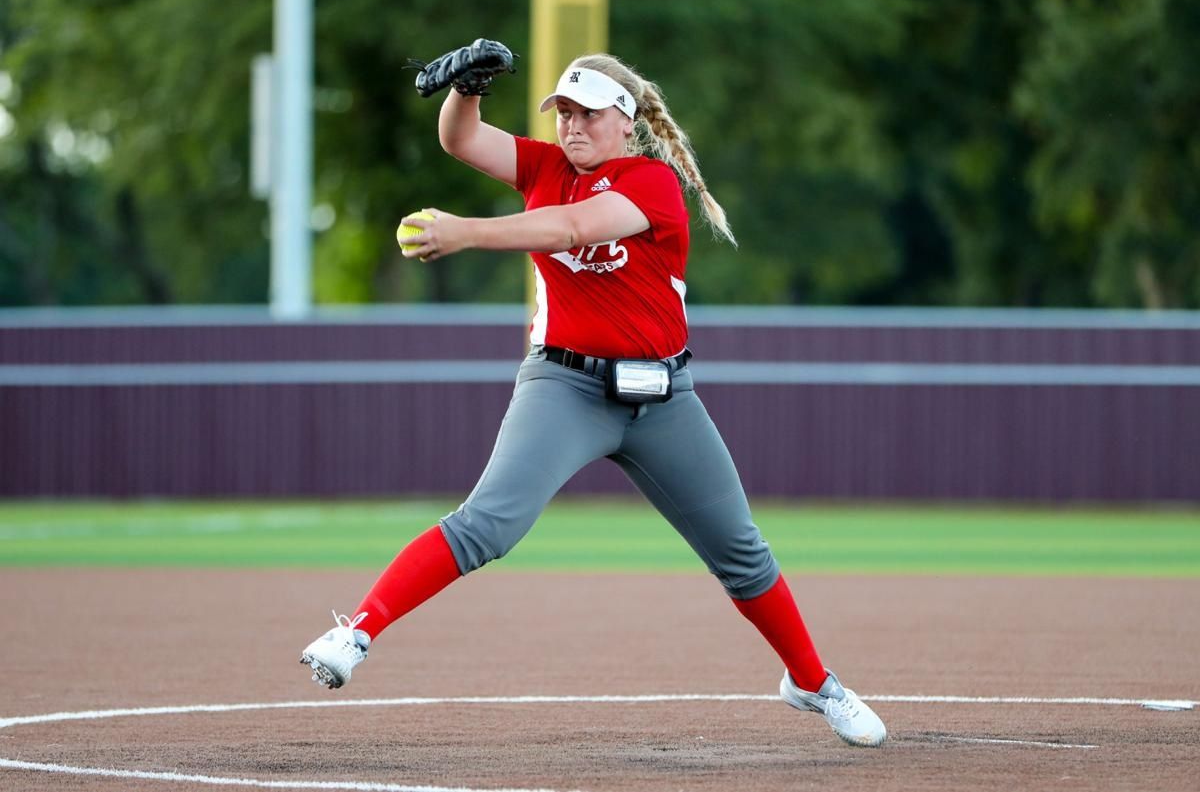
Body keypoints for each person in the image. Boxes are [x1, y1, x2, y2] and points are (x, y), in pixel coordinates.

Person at [300, 49, 887, 748]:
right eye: (565, 113)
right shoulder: (545, 167)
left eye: (588, 113)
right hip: (564, 385)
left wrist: (468, 232)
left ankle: (814, 682)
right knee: (485, 524)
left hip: (662, 397)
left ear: (626, 123)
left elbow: (572, 230)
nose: (572, 126)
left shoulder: (652, 182)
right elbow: (460, 139)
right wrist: (466, 90)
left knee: (742, 553)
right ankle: (357, 632)